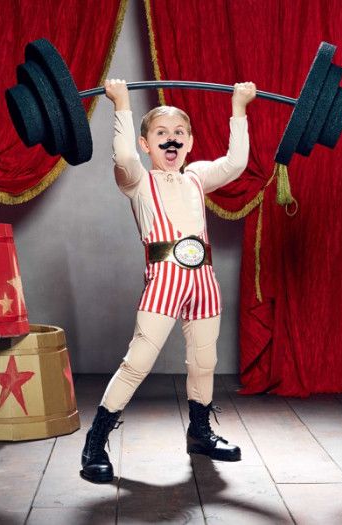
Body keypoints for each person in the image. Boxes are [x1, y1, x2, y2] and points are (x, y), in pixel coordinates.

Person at [80, 78, 256, 483]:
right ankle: (95, 442)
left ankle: (200, 433)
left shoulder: (197, 176)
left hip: (204, 280)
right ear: (146, 145)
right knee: (139, 360)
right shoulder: (137, 180)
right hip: (165, 277)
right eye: (161, 134)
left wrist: (239, 108)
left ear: (190, 142)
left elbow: (236, 163)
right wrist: (121, 103)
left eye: (179, 133)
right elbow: (122, 155)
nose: (171, 140)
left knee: (204, 360)